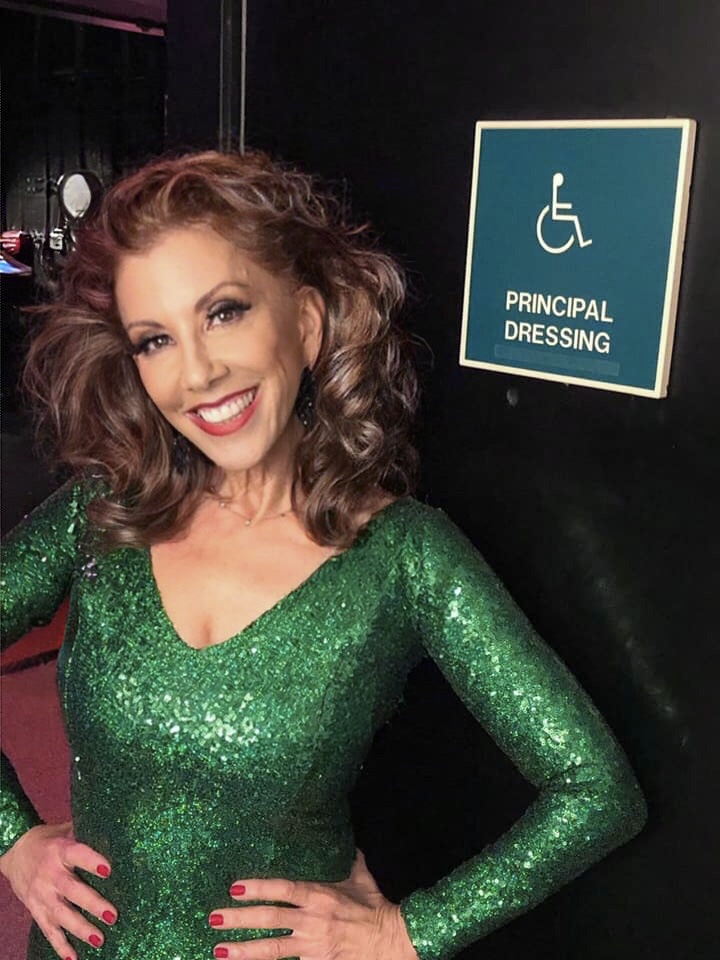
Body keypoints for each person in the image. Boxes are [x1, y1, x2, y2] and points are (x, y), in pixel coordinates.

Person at [0, 150, 647, 960]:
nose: (197, 372)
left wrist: (407, 933)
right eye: (156, 339)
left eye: (225, 312)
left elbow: (597, 790)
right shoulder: (102, 514)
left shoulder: (404, 555)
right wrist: (14, 841)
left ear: (305, 322)